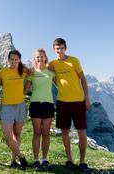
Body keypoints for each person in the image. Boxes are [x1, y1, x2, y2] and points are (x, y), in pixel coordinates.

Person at [48, 38, 91, 172]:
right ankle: (69, 160)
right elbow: (46, 74)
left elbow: (83, 79)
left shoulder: (74, 61)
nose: (59, 51)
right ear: (54, 50)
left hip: (78, 101)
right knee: (65, 132)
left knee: (81, 131)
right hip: (62, 102)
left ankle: (83, 161)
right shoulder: (53, 64)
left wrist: (87, 98)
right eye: (57, 49)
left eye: (61, 48)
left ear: (65, 48)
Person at [24, 48, 55, 170]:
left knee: (46, 133)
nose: (40, 58)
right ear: (35, 59)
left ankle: (45, 159)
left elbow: (61, 83)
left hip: (48, 104)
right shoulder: (32, 73)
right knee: (37, 133)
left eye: (42, 56)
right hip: (35, 104)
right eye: (37, 57)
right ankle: (36, 160)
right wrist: (27, 76)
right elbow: (25, 90)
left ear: (45, 58)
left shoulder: (51, 72)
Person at [0, 50, 29, 169]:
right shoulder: (3, 72)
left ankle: (13, 161)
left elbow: (31, 77)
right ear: (8, 60)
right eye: (12, 59)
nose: (14, 62)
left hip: (20, 105)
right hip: (6, 106)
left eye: (16, 59)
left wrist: (25, 92)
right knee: (7, 136)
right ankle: (21, 157)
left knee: (17, 134)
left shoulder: (24, 71)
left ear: (19, 60)